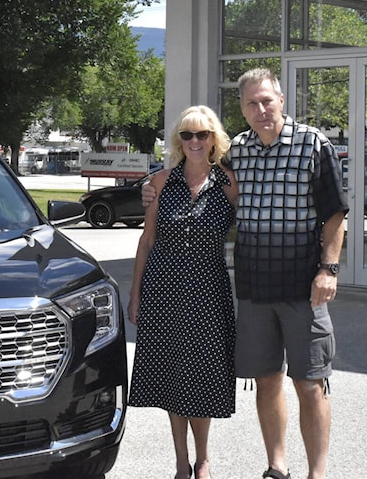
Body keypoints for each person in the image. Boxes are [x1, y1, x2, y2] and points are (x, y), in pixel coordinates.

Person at [143, 69, 348, 479]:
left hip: (303, 287)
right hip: (253, 291)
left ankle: (317, 474)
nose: (261, 109)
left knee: (310, 384)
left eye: (267, 100)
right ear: (242, 109)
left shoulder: (313, 144)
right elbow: (192, 172)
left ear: (281, 100)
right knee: (267, 380)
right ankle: (277, 465)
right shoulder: (237, 151)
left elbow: (335, 214)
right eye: (252, 103)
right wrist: (149, 188)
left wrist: (329, 269)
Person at [128, 105, 239, 479]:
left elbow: (249, 230)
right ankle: (180, 460)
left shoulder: (228, 182)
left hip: (208, 292)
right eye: (187, 135)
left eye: (202, 135)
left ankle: (203, 458)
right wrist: (135, 293)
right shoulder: (159, 182)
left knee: (202, 374)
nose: (195, 141)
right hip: (163, 291)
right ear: (179, 140)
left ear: (213, 140)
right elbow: (147, 240)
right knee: (170, 376)